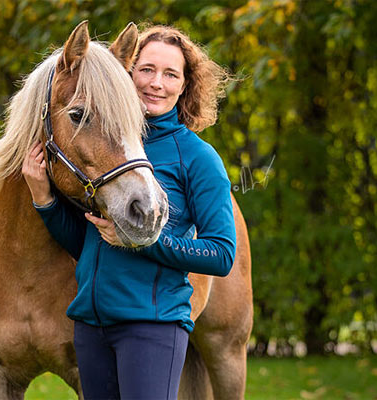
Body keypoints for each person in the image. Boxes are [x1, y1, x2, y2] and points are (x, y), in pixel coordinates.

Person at [22, 25, 236, 400]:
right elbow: (87, 242)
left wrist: (141, 241)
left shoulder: (199, 158)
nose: (156, 83)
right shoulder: (109, 145)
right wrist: (45, 200)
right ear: (127, 73)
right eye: (147, 69)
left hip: (152, 326)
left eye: (171, 74)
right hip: (92, 326)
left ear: (184, 85)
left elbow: (221, 255)